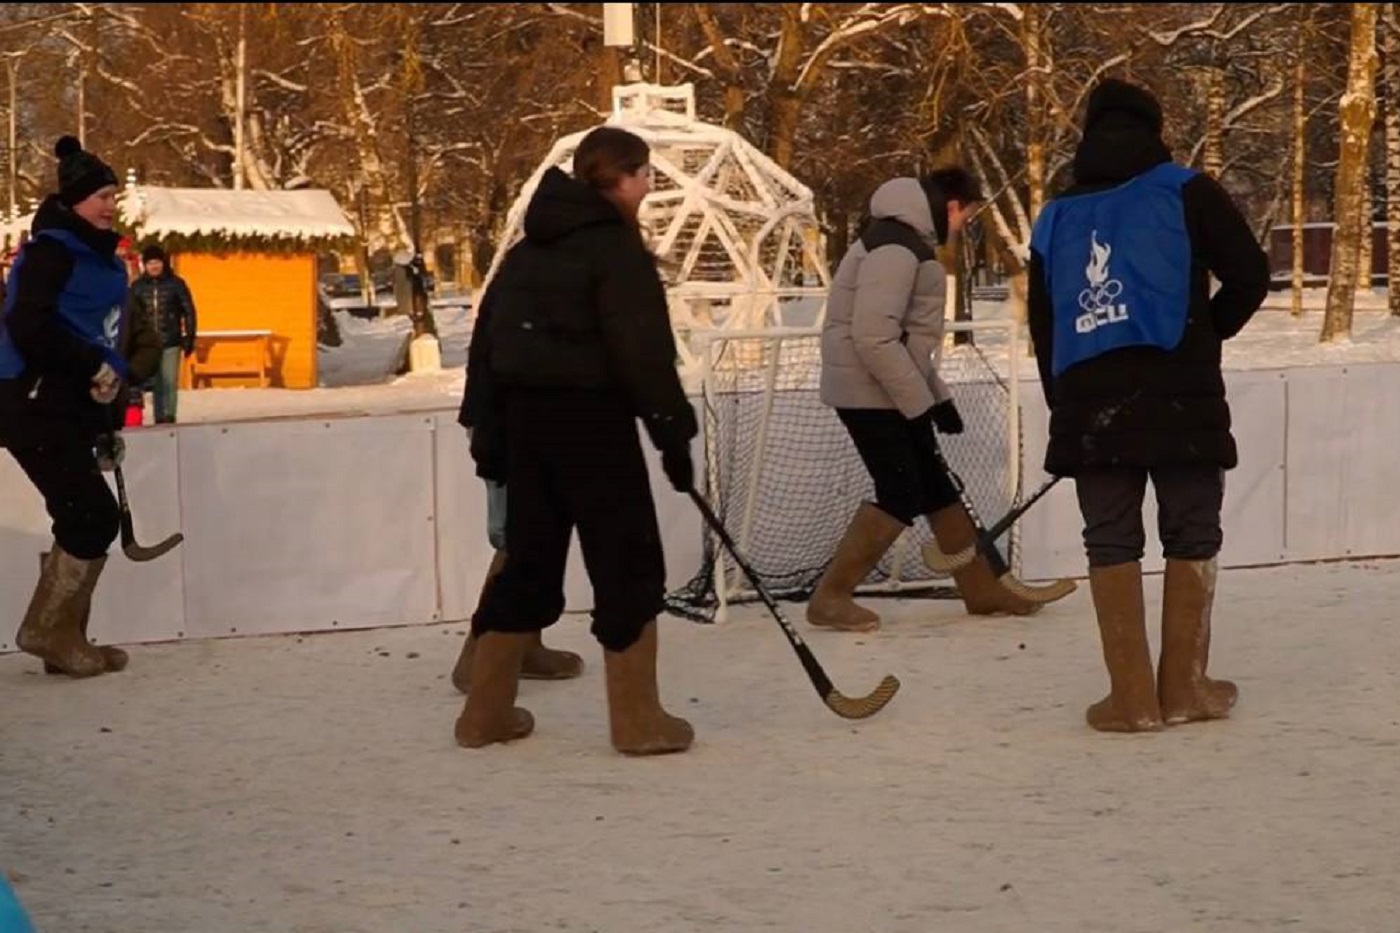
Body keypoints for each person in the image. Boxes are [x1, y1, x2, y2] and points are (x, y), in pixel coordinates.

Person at [1026, 78, 1270, 733]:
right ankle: (1186, 687)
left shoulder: (1056, 216)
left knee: (1110, 536)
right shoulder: (1185, 189)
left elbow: (1044, 327)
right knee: (1191, 530)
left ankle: (1131, 698)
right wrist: (1203, 333)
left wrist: (1068, 406)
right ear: (1153, 128)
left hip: (1091, 406)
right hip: (1180, 399)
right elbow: (1251, 273)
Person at [455, 125, 697, 756]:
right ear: (619, 178)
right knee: (628, 565)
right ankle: (639, 723)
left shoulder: (529, 249)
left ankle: (483, 715)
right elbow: (643, 352)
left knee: (528, 564)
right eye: (644, 174)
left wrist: (487, 432)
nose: (649, 186)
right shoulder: (613, 249)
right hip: (593, 427)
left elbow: (487, 344)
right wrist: (673, 434)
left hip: (528, 428)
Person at [809, 168, 1075, 633]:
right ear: (952, 205)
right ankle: (831, 595)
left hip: (886, 388)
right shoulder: (894, 247)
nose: (963, 226)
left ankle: (982, 589)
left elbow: (909, 343)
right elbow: (874, 338)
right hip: (867, 392)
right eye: (967, 216)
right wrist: (918, 406)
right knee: (902, 490)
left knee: (934, 484)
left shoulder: (905, 241)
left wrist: (937, 398)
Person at [0, 135, 131, 678]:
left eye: (112, 195)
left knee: (82, 514)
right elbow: (28, 324)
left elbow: (106, 336)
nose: (109, 205)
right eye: (100, 195)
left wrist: (109, 393)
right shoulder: (50, 251)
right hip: (27, 399)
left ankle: (64, 637)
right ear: (73, 200)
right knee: (91, 515)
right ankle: (46, 631)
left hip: (66, 401)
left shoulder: (103, 257)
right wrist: (87, 367)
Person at [127, 243, 197, 424]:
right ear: (145, 265)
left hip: (171, 341)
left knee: (169, 381)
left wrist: (189, 336)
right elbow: (131, 315)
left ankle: (169, 414)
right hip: (148, 344)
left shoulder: (176, 284)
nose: (154, 266)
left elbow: (188, 310)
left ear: (164, 263)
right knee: (155, 382)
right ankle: (159, 417)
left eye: (157, 262)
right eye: (150, 263)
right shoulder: (138, 287)